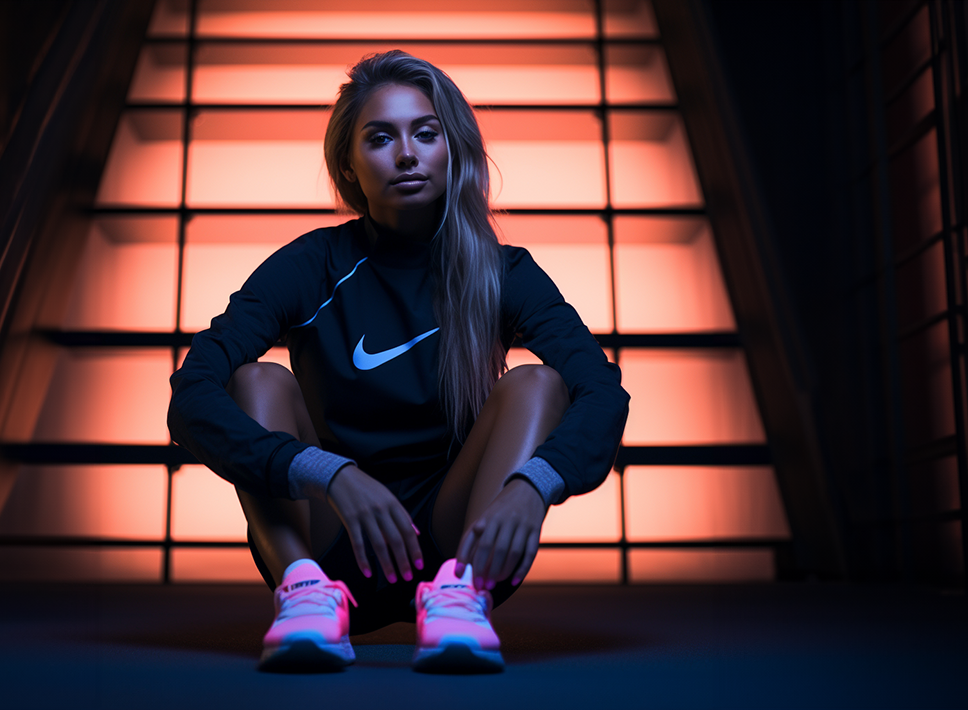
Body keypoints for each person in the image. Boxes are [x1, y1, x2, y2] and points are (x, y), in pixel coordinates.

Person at [167, 50, 628, 674]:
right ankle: (302, 592)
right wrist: (324, 472)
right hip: (330, 538)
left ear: (451, 149)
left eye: (426, 133)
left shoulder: (502, 272)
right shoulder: (311, 265)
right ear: (350, 167)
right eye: (380, 137)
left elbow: (601, 390)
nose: (406, 153)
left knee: (537, 384)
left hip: (457, 546)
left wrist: (537, 485)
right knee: (255, 378)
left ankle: (462, 598)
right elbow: (192, 392)